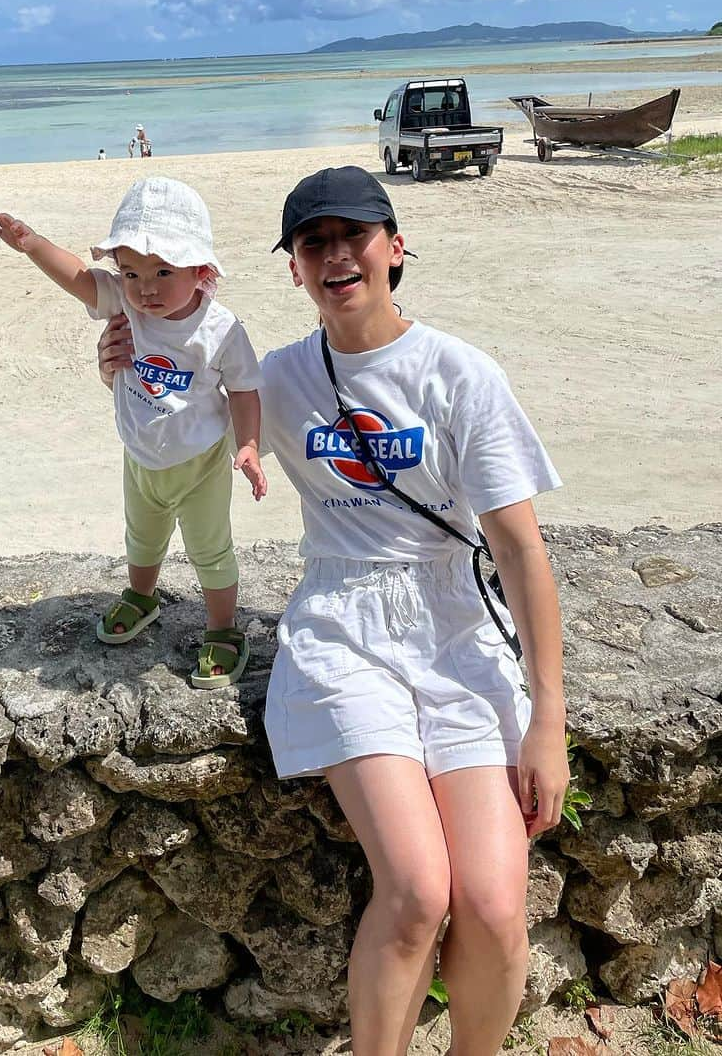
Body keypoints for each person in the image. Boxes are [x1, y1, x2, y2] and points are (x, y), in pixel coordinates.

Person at [95, 166, 569, 1055]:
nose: (337, 254)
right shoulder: (278, 378)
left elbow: (519, 550)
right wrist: (123, 363)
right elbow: (174, 413)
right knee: (419, 890)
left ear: (394, 247)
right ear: (294, 271)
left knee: (498, 906)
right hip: (345, 624)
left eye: (356, 235)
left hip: (458, 628)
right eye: (315, 242)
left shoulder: (459, 374)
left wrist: (550, 718)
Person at [0, 176, 267, 687]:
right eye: (132, 272)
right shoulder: (123, 302)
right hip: (138, 455)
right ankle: (142, 595)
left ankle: (224, 627)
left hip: (199, 462)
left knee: (210, 547)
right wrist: (31, 244)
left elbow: (245, 390)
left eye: (163, 271)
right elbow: (77, 277)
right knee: (141, 534)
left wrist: (248, 444)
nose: (146, 288)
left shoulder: (221, 328)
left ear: (201, 270)